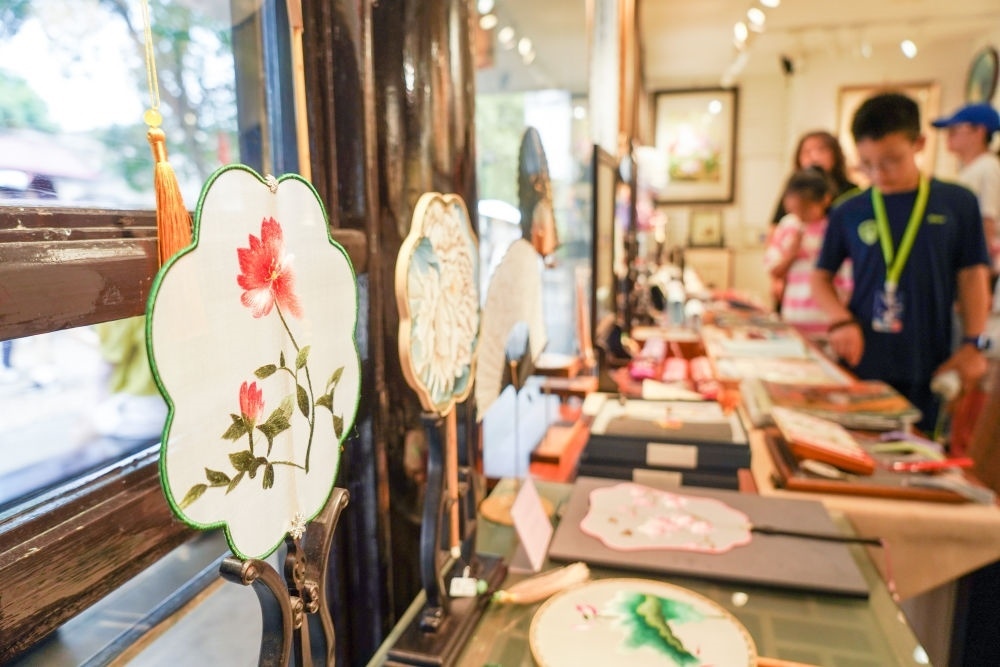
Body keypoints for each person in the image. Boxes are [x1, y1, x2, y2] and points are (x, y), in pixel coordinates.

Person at [811, 91, 992, 433]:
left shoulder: (957, 203)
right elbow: (820, 276)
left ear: (919, 143)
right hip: (863, 356)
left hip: (931, 359)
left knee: (922, 447)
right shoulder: (849, 209)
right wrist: (840, 321)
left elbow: (972, 275)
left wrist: (973, 344)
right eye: (867, 163)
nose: (879, 173)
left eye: (891, 160)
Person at [764, 167, 852, 340]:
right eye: (795, 210)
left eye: (806, 209)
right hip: (793, 316)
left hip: (828, 320)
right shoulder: (789, 225)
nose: (800, 215)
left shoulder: (835, 227)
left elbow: (849, 276)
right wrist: (791, 254)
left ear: (825, 200)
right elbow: (773, 269)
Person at [931, 103, 1000, 291]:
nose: (949, 135)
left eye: (955, 130)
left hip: (979, 269)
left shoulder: (988, 167)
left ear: (979, 132)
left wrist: (981, 274)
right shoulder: (971, 170)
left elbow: (987, 219)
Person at [771, 130, 859, 224]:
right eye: (807, 152)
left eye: (821, 150)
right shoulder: (794, 188)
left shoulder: (852, 191)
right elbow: (774, 225)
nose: (814, 157)